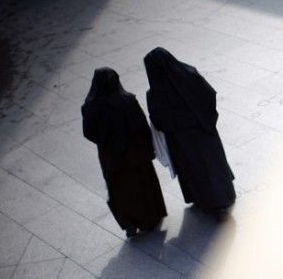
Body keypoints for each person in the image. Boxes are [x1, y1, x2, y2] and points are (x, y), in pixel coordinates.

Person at [144, 47, 236, 219]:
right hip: (203, 131)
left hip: (181, 141)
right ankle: (223, 197)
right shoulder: (189, 74)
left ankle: (206, 202)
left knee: (194, 171)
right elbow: (209, 94)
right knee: (213, 164)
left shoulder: (154, 94)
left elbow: (158, 121)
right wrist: (206, 118)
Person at [81, 67, 167, 237]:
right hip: (137, 155)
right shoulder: (128, 100)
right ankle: (150, 218)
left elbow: (88, 133)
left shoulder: (90, 107)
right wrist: (149, 148)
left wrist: (106, 141)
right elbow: (142, 126)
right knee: (143, 186)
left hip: (112, 159)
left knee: (120, 191)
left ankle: (129, 223)